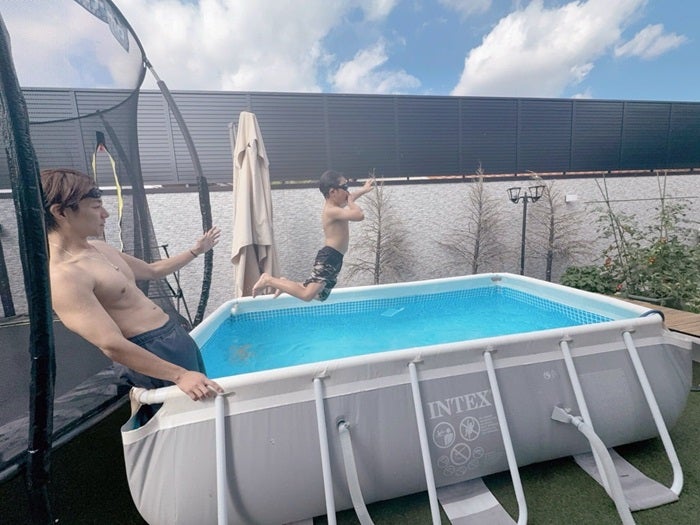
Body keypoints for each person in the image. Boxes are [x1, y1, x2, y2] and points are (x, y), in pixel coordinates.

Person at [41, 168, 223, 401]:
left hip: (173, 336)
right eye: (96, 207)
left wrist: (196, 251)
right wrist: (179, 375)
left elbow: (152, 270)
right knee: (182, 416)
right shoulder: (64, 276)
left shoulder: (100, 248)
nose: (105, 214)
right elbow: (110, 344)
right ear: (60, 212)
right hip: (150, 354)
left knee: (206, 409)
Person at [252, 170, 374, 301]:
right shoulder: (331, 211)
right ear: (333, 192)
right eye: (345, 187)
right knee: (307, 295)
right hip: (329, 257)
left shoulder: (338, 206)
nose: (348, 191)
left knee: (321, 295)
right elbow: (359, 215)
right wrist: (350, 202)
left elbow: (352, 196)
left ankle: (284, 285)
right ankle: (268, 280)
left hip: (336, 258)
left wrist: (364, 189)